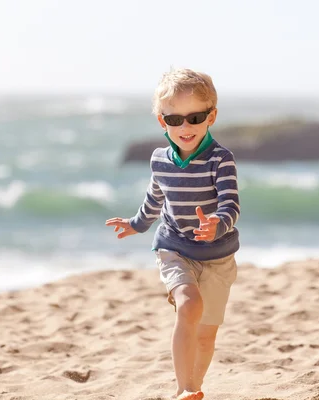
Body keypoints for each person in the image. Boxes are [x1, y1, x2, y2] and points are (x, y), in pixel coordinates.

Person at [105, 68, 240, 400]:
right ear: (162, 121)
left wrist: (217, 224)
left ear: (212, 117)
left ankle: (196, 385)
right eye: (174, 119)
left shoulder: (221, 160)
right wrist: (137, 223)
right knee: (189, 305)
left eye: (195, 117)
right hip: (174, 246)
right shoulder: (159, 160)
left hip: (218, 255)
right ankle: (185, 388)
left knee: (207, 335)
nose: (185, 127)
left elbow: (231, 205)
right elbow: (154, 198)